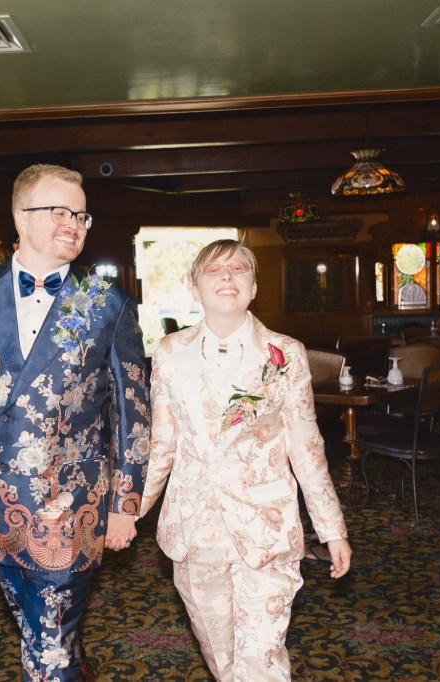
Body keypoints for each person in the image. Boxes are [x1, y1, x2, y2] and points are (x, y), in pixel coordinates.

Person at [0, 163, 150, 681]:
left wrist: (125, 504)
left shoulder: (105, 303)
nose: (74, 223)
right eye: (59, 210)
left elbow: (134, 413)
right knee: (39, 628)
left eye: (82, 214)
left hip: (70, 507)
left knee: (48, 650)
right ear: (20, 216)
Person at [138, 239, 351, 682]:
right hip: (195, 529)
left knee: (263, 658)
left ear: (254, 288)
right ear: (194, 289)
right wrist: (128, 515)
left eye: (238, 269)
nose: (227, 276)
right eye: (213, 270)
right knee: (222, 656)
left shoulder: (285, 354)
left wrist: (332, 529)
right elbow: (162, 445)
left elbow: (307, 448)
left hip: (267, 526)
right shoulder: (169, 353)